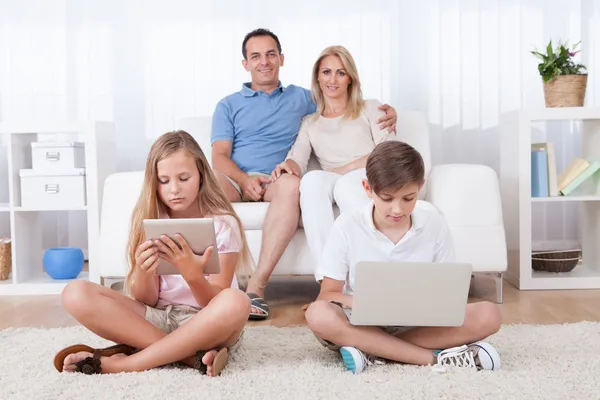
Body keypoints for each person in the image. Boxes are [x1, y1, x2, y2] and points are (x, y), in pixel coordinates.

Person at [211, 28, 398, 320]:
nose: (264, 61)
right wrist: (246, 180)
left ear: (281, 59)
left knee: (295, 185)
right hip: (237, 177)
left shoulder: (304, 100)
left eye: (271, 54)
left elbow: (339, 106)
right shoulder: (228, 105)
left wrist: (390, 114)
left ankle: (257, 289)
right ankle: (202, 289)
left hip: (278, 182)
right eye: (255, 56)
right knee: (201, 189)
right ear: (245, 63)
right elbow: (219, 157)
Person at [53, 131, 251, 377]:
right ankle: (190, 357)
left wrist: (193, 275)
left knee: (237, 301)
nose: (174, 189)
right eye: (164, 181)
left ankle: (124, 363)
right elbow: (147, 300)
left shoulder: (224, 224)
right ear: (153, 182)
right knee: (75, 293)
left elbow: (217, 300)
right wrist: (144, 272)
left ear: (201, 174)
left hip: (206, 323)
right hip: (159, 318)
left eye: (184, 178)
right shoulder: (152, 221)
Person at [304, 140, 502, 374]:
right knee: (318, 314)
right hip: (361, 321)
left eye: (408, 198)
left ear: (420, 186)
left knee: (489, 314)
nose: (397, 209)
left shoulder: (434, 222)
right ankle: (432, 358)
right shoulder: (346, 225)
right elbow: (327, 294)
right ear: (368, 189)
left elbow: (449, 290)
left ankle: (370, 349)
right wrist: (365, 304)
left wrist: (428, 304)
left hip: (418, 323)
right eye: (387, 198)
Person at [271, 45, 395, 274]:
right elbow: (297, 158)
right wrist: (287, 165)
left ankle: (370, 272)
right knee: (311, 182)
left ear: (350, 78)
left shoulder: (370, 108)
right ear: (317, 77)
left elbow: (387, 153)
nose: (333, 79)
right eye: (326, 72)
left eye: (341, 72)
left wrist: (346, 169)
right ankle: (329, 275)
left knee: (347, 185)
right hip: (332, 179)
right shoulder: (310, 122)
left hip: (369, 172)